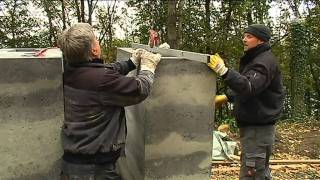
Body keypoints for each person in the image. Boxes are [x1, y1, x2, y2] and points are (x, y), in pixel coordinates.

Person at [58, 23, 161, 180]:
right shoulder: (101, 81)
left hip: (74, 163)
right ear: (94, 50)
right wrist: (148, 67)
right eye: (96, 40)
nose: (98, 42)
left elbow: (104, 70)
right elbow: (141, 88)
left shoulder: (71, 71)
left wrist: (131, 63)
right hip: (95, 170)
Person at [208, 24, 284, 180]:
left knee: (252, 173)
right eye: (244, 36)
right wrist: (227, 97)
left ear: (261, 41)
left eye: (249, 36)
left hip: (258, 130)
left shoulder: (264, 62)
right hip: (255, 127)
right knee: (259, 171)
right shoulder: (256, 59)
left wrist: (224, 71)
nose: (244, 39)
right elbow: (250, 86)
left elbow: (249, 86)